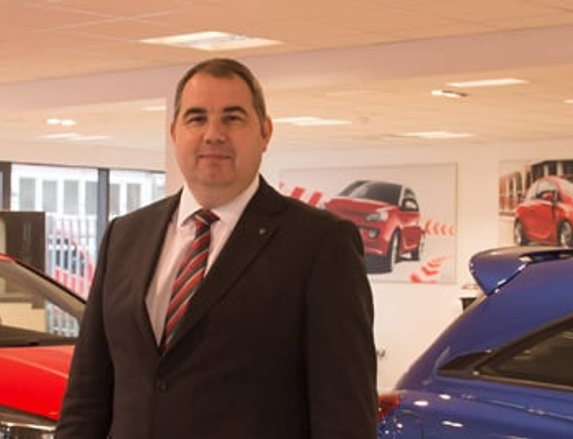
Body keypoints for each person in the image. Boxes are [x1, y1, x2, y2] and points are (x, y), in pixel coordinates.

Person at [56, 57, 377, 438]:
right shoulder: (125, 236)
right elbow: (87, 395)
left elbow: (344, 414)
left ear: (265, 132)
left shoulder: (320, 244)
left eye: (232, 118)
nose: (213, 134)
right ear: (175, 132)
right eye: (196, 118)